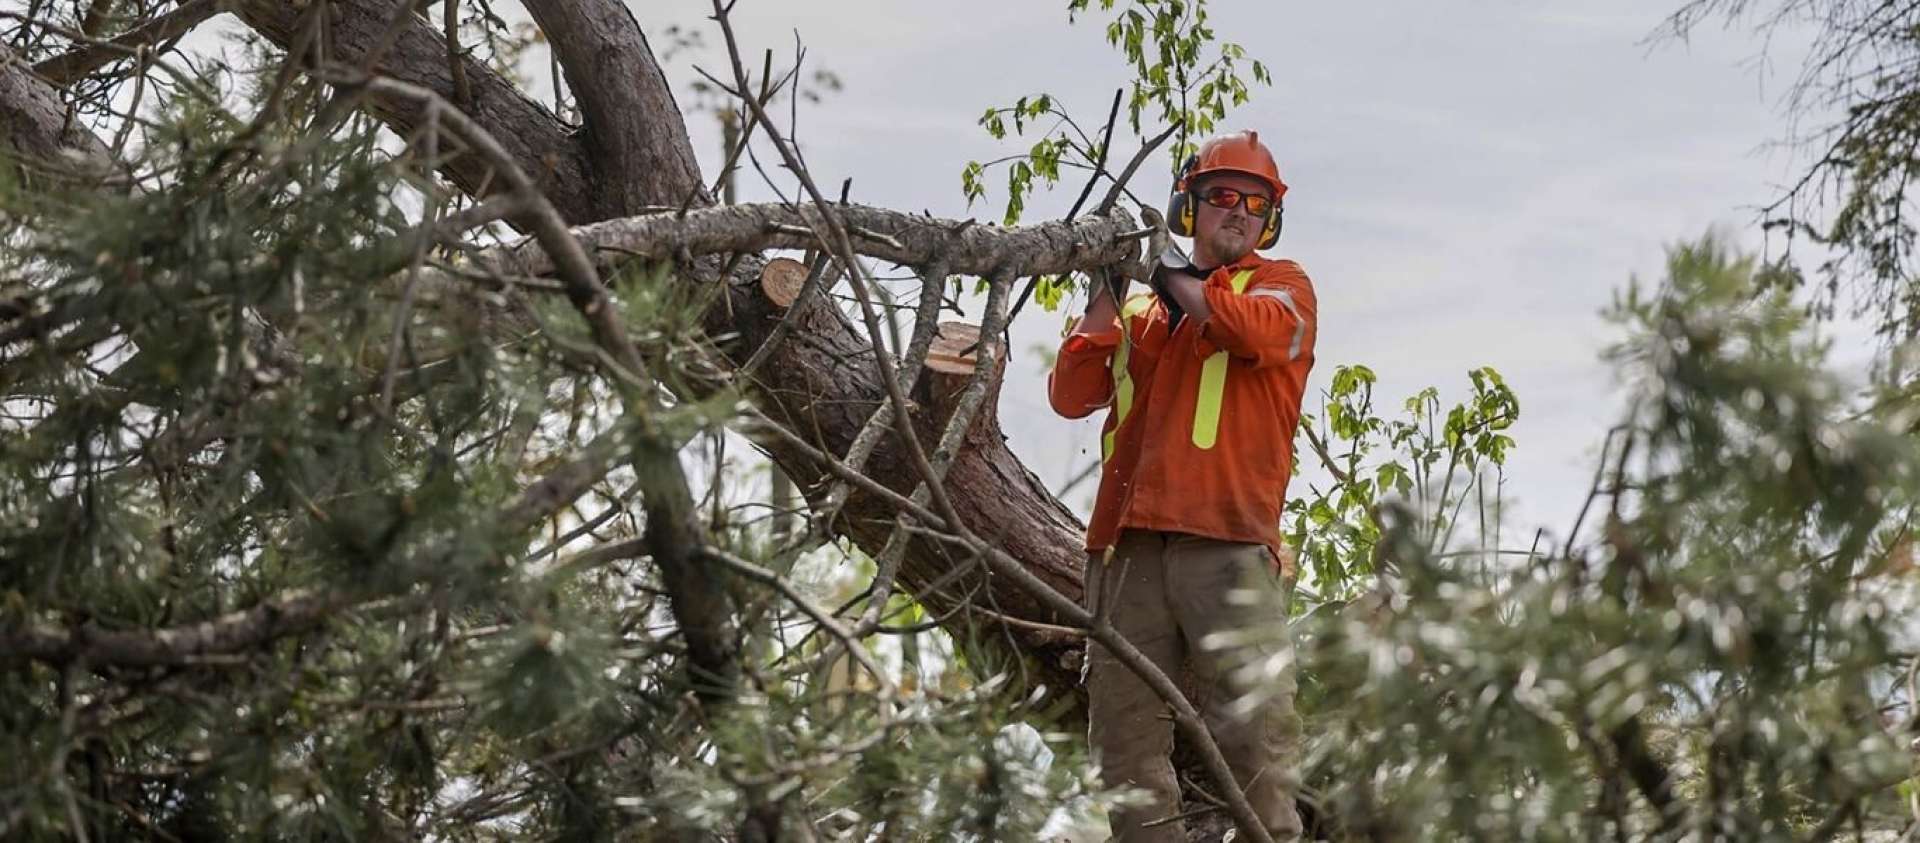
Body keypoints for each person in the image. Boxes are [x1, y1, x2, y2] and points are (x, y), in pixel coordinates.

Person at [1048, 129, 1316, 842]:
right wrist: (1105, 292)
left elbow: (1250, 331)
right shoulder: (1145, 311)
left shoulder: (1282, 290)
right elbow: (1072, 393)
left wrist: (1170, 275)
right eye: (1222, 195)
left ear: (1271, 219)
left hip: (1227, 545)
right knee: (1124, 748)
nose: (1238, 211)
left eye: (1254, 203)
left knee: (1258, 738)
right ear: (1188, 204)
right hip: (1127, 549)